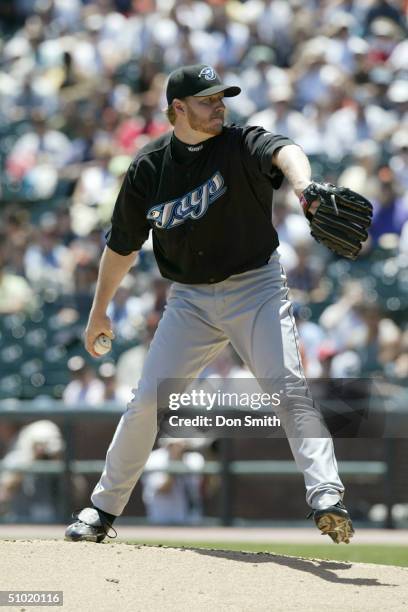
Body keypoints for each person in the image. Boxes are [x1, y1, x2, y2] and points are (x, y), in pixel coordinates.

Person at [65, 64, 353, 544]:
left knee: (289, 388)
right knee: (146, 403)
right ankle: (101, 510)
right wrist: (99, 311)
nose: (219, 104)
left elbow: (284, 149)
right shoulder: (149, 167)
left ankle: (327, 495)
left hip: (255, 286)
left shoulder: (239, 142)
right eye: (207, 99)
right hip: (190, 300)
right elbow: (121, 248)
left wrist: (304, 187)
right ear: (177, 108)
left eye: (222, 96)